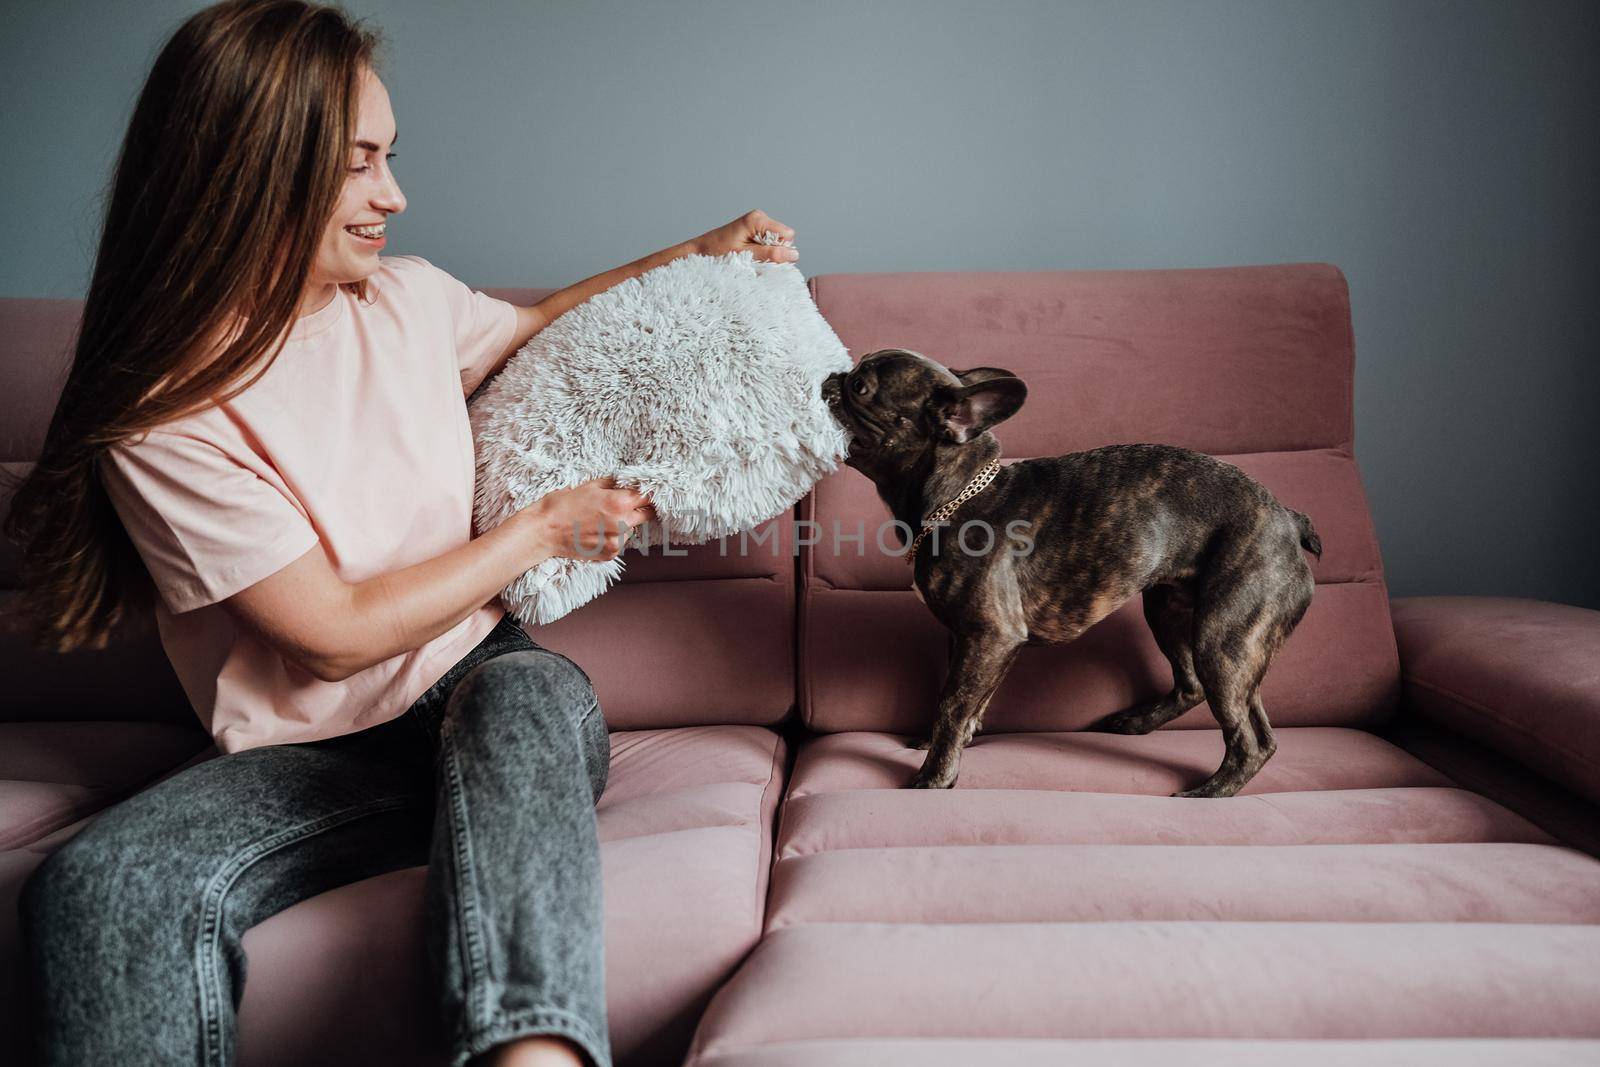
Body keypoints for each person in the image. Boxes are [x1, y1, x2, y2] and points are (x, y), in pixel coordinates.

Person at [0, 2, 799, 1065]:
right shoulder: (165, 413)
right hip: (312, 757)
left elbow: (535, 323)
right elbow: (327, 634)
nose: (396, 195)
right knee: (98, 885)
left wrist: (693, 252)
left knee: (527, 690)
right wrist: (541, 531)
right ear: (254, 172)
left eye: (391, 156)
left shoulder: (408, 300)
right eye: (359, 164)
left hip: (488, 698)